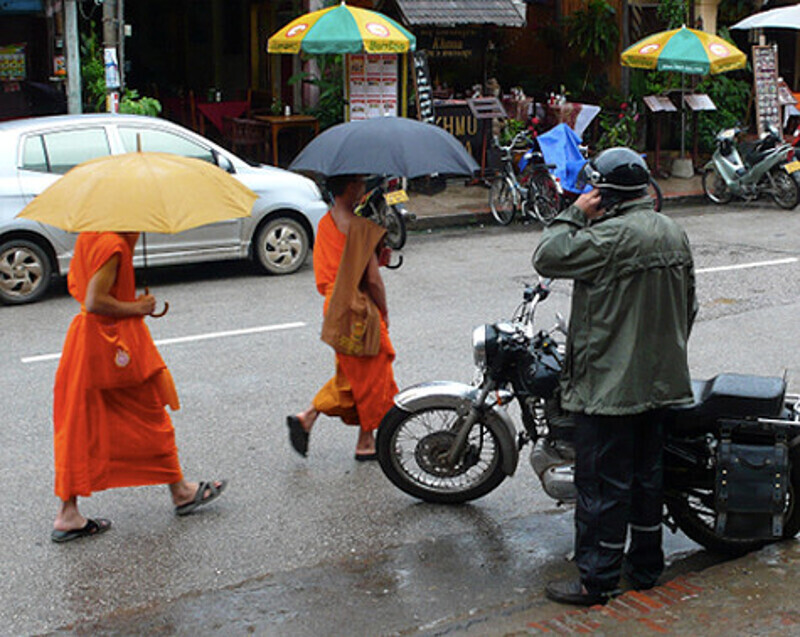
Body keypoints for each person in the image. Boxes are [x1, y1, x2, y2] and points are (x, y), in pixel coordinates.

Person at [532, 148, 697, 605]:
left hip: (608, 389)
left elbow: (547, 255)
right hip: (660, 384)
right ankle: (645, 569)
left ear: (605, 194)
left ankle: (597, 580)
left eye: (594, 188)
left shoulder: (608, 236)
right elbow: (689, 306)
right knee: (647, 481)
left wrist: (574, 212)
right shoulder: (673, 231)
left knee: (602, 487)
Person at [51, 231, 226, 543]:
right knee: (150, 415)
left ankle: (69, 511)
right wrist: (139, 306)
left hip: (86, 344)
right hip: (113, 345)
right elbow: (95, 300)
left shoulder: (91, 235)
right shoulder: (113, 244)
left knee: (81, 423)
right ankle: (181, 491)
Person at [287, 174, 398, 461]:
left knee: (352, 374)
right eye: (360, 182)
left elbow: (341, 266)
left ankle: (310, 417)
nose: (363, 187)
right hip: (358, 308)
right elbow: (372, 281)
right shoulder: (360, 228)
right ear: (350, 187)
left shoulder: (325, 223)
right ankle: (365, 442)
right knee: (376, 374)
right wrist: (384, 311)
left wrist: (373, 253)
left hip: (334, 307)